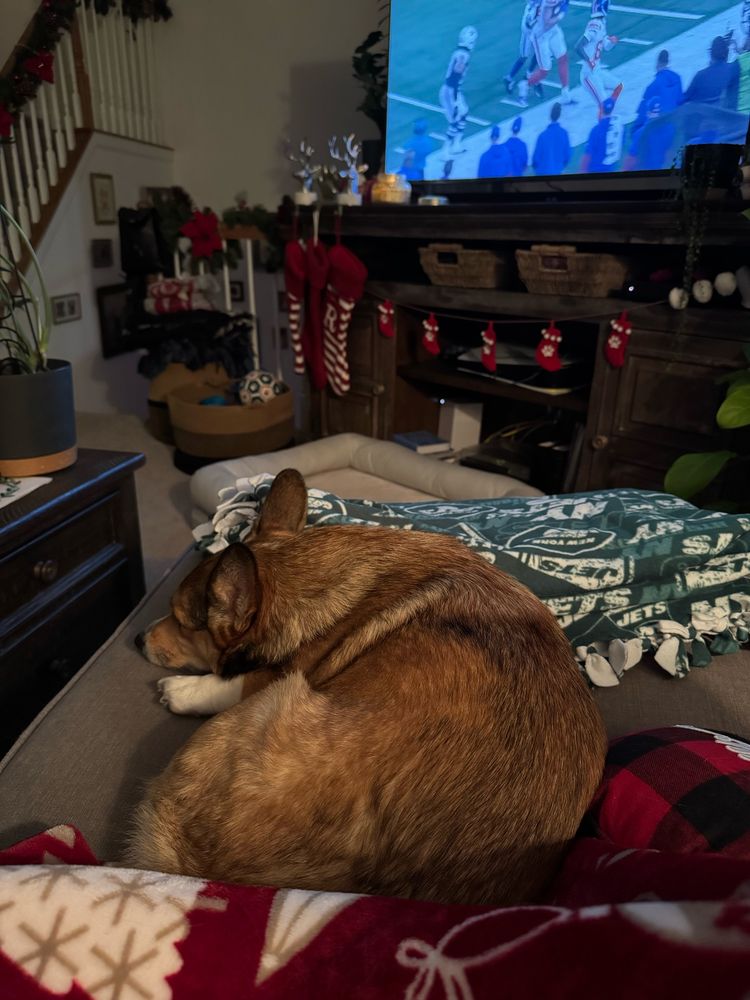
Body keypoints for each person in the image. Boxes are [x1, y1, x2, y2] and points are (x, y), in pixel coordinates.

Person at [517, 0, 574, 108]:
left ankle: (566, 94)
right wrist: (561, 14)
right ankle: (524, 85)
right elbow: (547, 21)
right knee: (544, 70)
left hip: (551, 28)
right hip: (540, 34)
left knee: (563, 58)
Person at [575, 0, 622, 115]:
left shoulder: (601, 23)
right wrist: (589, 60)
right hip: (588, 74)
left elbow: (605, 46)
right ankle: (604, 119)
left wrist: (611, 42)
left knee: (618, 86)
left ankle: (608, 111)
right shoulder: (595, 24)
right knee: (603, 106)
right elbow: (578, 47)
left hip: (597, 71)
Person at [439, 25, 478, 154]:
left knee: (464, 112)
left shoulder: (460, 52)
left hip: (453, 89)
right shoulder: (463, 54)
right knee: (455, 119)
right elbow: (455, 74)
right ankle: (445, 150)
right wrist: (455, 98)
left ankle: (456, 145)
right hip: (450, 90)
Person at [683, 36, 740, 110]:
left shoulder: (700, 76)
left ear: (711, 54)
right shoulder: (735, 69)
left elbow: (684, 100)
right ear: (727, 53)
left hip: (705, 119)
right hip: (732, 118)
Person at [633, 50, 682, 131]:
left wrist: (635, 129)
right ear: (667, 62)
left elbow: (643, 110)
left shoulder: (653, 86)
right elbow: (680, 101)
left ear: (657, 63)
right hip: (675, 124)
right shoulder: (677, 78)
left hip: (660, 126)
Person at [624, 97, 676, 171]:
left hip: (643, 172)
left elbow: (631, 159)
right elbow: (669, 153)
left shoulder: (640, 132)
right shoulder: (670, 129)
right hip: (659, 171)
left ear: (648, 113)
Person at [504, 1, 542, 96]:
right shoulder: (534, 9)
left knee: (539, 52)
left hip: (534, 29)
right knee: (524, 56)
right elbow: (528, 25)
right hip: (528, 32)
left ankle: (529, 74)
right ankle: (509, 78)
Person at [580, 96, 623, 172]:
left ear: (601, 110)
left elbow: (588, 155)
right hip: (610, 170)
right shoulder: (619, 127)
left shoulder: (596, 130)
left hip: (595, 172)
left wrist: (582, 172)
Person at [531, 102, 571, 174]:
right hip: (557, 171)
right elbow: (567, 156)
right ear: (559, 115)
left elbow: (536, 158)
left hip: (542, 173)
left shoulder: (542, 136)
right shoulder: (564, 134)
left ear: (550, 115)